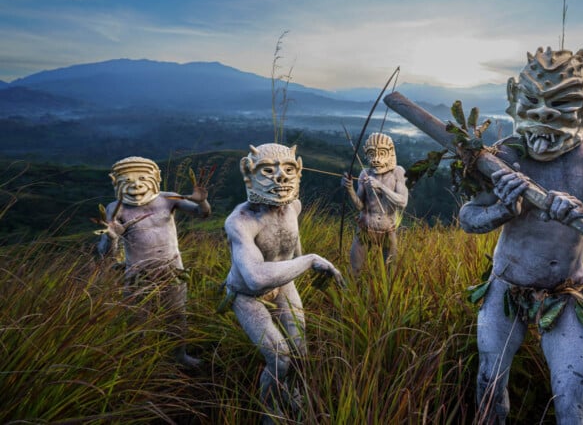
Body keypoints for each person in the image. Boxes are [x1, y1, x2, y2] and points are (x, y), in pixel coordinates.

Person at [459, 47, 583, 424]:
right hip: (506, 286)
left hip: (565, 291)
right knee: (490, 384)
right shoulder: (504, 153)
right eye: (534, 107)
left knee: (572, 396)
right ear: (514, 98)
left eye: (561, 107)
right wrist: (503, 209)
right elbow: (468, 217)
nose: (545, 127)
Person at [223, 143, 344, 421]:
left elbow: (293, 243)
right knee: (279, 357)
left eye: (289, 169)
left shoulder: (293, 208)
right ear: (249, 173)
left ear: (298, 171)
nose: (281, 177)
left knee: (300, 347)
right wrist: (309, 261)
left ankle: (288, 391)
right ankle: (268, 411)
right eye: (268, 170)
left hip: (282, 285)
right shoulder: (240, 221)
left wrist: (305, 261)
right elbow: (254, 278)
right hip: (246, 294)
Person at [96, 156, 211, 368]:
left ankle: (179, 356)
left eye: (142, 178)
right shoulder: (116, 208)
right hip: (138, 273)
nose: (136, 185)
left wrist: (201, 200)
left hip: (172, 268)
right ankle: (139, 364)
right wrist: (110, 237)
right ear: (116, 183)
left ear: (155, 178)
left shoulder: (168, 198)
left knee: (177, 314)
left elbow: (202, 214)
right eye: (128, 181)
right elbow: (105, 254)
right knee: (137, 319)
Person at [341, 132, 409, 276]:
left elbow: (402, 201)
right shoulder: (365, 174)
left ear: (390, 152)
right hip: (365, 229)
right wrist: (350, 189)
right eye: (372, 154)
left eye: (382, 153)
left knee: (390, 273)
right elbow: (360, 206)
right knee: (354, 270)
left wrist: (381, 187)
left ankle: (384, 298)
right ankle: (349, 296)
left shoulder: (398, 172)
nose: (376, 159)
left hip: (387, 230)